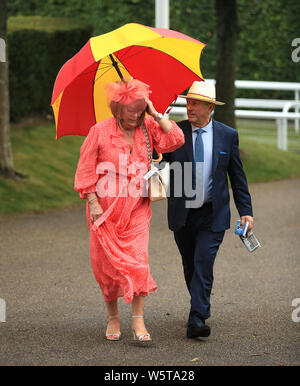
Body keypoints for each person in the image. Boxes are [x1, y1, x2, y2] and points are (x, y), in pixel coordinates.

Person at [74, 79, 184, 343]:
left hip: (136, 208)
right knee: (105, 266)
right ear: (117, 109)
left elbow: (176, 140)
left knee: (138, 262)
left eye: (139, 109)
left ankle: (138, 320)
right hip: (104, 211)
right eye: (130, 110)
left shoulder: (148, 126)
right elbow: (86, 169)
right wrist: (93, 204)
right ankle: (113, 317)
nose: (135, 115)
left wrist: (155, 113)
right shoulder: (99, 131)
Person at [163, 81, 253, 339]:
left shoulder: (227, 135)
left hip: (212, 213)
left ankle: (197, 318)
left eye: (194, 103)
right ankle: (200, 306)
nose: (189, 107)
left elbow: (237, 176)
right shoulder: (175, 132)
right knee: (190, 264)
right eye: (187, 102)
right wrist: (158, 129)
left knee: (204, 262)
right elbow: (158, 159)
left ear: (209, 107)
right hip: (182, 213)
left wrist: (246, 210)